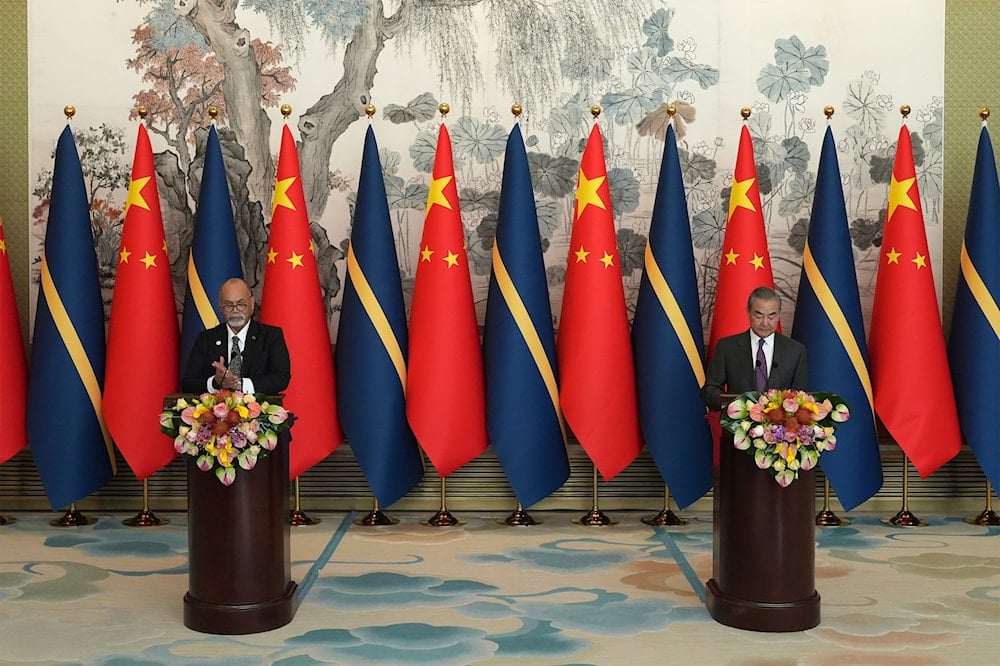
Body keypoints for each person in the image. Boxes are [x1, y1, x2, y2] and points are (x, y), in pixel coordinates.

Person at [701, 286, 808, 411]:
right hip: (738, 427)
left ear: (779, 315)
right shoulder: (727, 347)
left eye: (771, 316)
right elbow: (709, 390)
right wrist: (733, 405)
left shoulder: (795, 351)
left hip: (779, 429)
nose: (765, 322)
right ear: (748, 312)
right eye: (759, 315)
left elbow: (800, 398)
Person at [181, 278, 291, 396]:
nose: (235, 310)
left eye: (241, 304)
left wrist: (239, 384)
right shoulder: (206, 339)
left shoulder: (270, 336)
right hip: (216, 412)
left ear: (252, 304)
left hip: (259, 411)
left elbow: (281, 378)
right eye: (228, 305)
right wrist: (215, 382)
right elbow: (188, 383)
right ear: (220, 307)